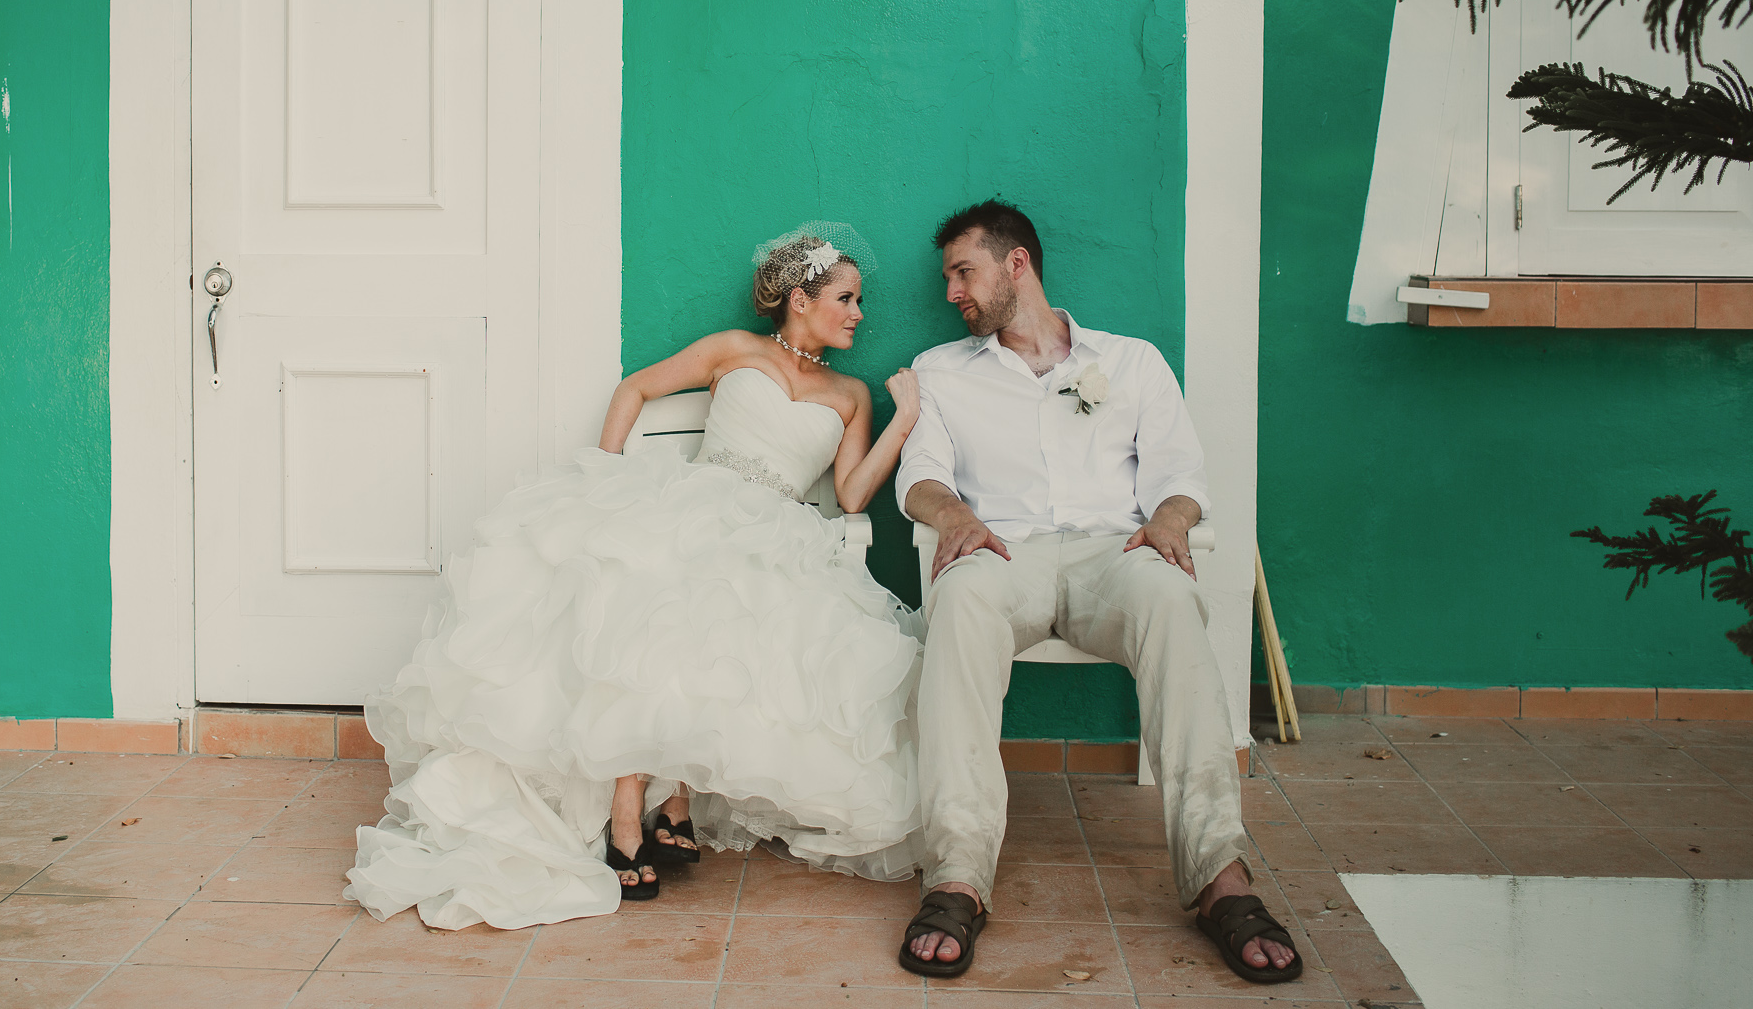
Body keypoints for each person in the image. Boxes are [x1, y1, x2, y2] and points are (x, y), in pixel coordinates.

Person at [347, 222, 927, 930]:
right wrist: (608, 476)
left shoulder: (852, 394)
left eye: (859, 301)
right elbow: (635, 388)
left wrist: (903, 422)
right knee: (668, 603)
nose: (858, 314)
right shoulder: (734, 350)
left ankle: (669, 797)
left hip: (776, 533)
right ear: (800, 298)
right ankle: (637, 808)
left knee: (723, 612)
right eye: (847, 297)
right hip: (694, 508)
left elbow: (856, 493)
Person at [893, 200, 1302, 985]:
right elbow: (923, 475)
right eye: (948, 276)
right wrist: (952, 515)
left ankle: (1220, 873)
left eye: (962, 271)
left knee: (1173, 602)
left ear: (1017, 265)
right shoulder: (943, 371)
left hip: (1114, 551)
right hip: (1000, 548)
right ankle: (957, 875)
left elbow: (1180, 475)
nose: (951, 291)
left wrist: (1175, 520)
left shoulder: (1133, 361)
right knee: (958, 601)